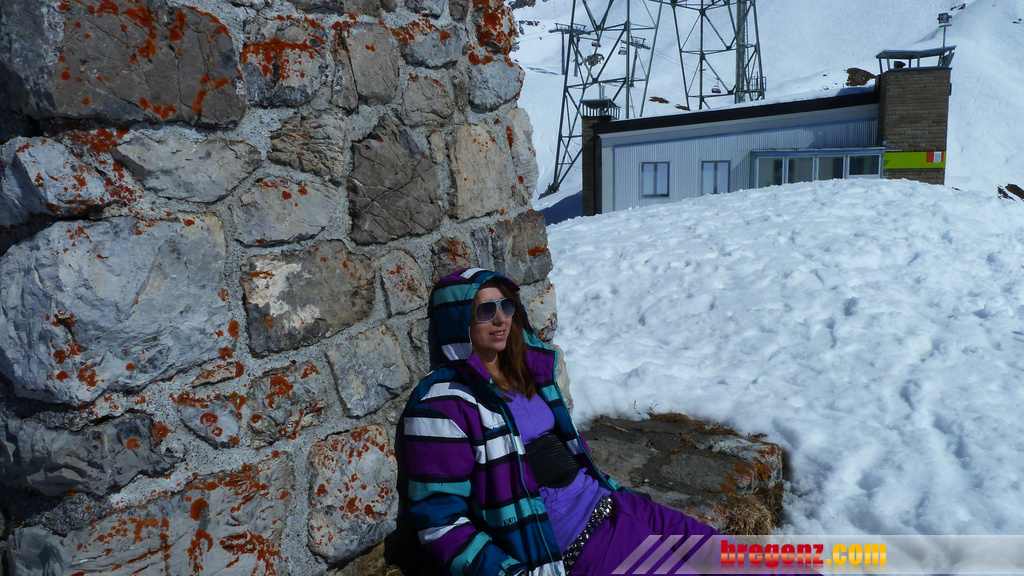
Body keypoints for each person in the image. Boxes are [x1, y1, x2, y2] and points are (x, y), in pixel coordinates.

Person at [400, 268, 727, 576]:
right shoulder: (442, 406)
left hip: (615, 503)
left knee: (736, 558)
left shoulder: (524, 369)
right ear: (458, 320)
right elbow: (440, 521)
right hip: (581, 541)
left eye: (506, 306)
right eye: (485, 311)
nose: (500, 319)